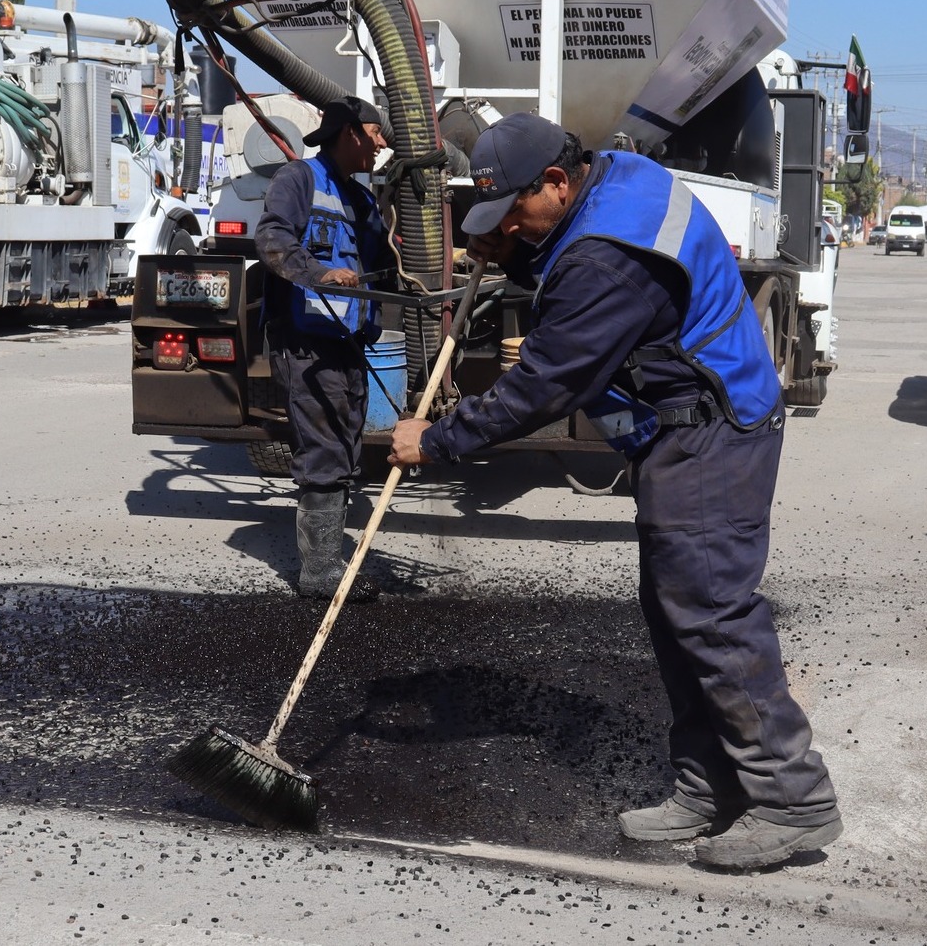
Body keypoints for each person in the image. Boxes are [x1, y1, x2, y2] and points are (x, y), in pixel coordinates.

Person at [388, 112, 841, 869]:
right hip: (685, 427)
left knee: (709, 612)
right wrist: (511, 250)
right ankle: (710, 782)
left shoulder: (604, 261)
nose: (506, 227)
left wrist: (434, 439)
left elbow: (544, 384)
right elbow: (564, 256)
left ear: (557, 182)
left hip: (710, 431)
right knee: (675, 611)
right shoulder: (621, 179)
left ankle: (792, 798)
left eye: (512, 213)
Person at [254, 95, 392, 603]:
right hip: (306, 340)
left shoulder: (361, 198)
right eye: (378, 134)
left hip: (345, 341)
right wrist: (320, 275)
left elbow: (381, 261)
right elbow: (271, 239)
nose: (382, 144)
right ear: (352, 132)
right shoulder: (299, 180)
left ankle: (328, 555)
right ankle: (319, 572)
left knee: (346, 439)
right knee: (326, 445)